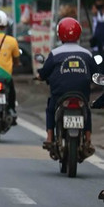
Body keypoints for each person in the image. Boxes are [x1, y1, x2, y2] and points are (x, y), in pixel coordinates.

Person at [38, 18, 96, 159]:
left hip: (60, 95)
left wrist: (40, 76)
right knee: (86, 110)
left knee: (51, 108)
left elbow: (44, 73)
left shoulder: (55, 54)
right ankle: (88, 140)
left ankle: (50, 137)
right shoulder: (87, 54)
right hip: (81, 94)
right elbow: (95, 73)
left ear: (59, 34)